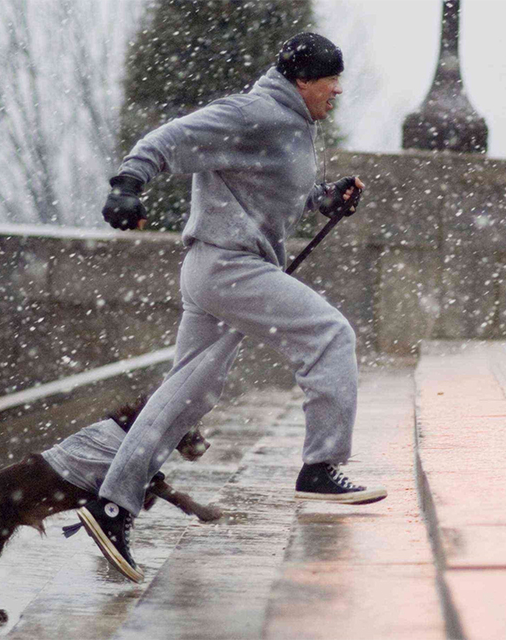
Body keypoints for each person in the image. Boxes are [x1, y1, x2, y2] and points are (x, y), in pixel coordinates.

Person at [46, 32, 386, 583]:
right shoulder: (252, 112)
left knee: (191, 392)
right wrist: (128, 183)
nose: (338, 91)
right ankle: (321, 468)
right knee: (330, 335)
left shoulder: (295, 124)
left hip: (228, 269)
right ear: (304, 80)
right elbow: (170, 138)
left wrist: (327, 197)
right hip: (229, 266)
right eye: (331, 80)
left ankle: (112, 505)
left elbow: (275, 190)